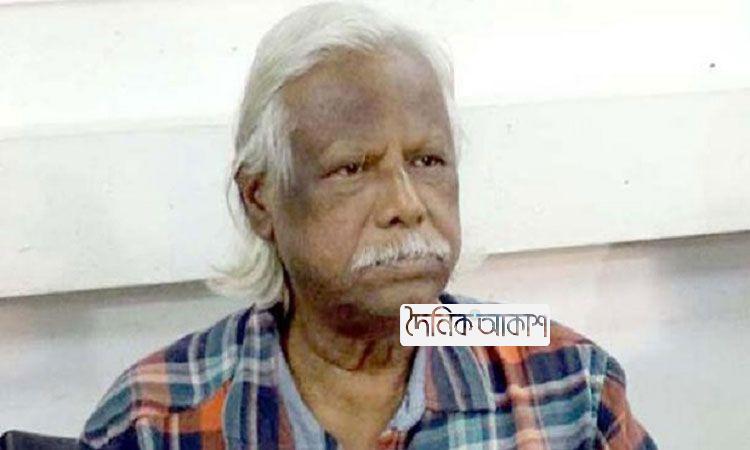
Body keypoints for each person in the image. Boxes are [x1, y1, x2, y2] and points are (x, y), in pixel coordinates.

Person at [80, 3, 656, 449]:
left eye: (428, 161)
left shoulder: (569, 379)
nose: (406, 205)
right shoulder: (155, 417)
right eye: (352, 168)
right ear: (260, 200)